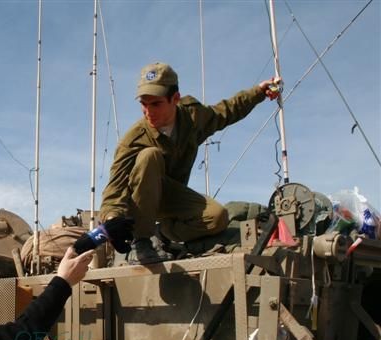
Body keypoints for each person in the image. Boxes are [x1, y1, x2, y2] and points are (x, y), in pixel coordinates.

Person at [99, 62, 282, 264]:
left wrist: (259, 92)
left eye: (156, 104)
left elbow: (227, 111)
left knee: (218, 217)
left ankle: (163, 234)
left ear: (175, 99)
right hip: (140, 200)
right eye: (144, 104)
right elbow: (114, 188)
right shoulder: (133, 140)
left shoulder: (192, 117)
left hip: (172, 195)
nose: (148, 111)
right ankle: (141, 242)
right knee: (149, 156)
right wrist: (112, 218)